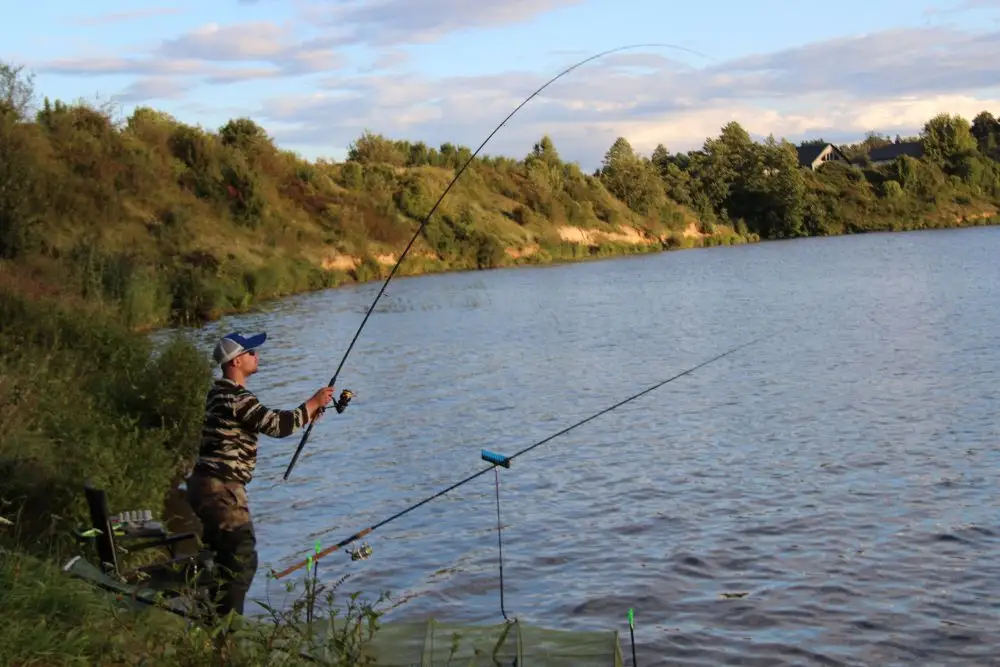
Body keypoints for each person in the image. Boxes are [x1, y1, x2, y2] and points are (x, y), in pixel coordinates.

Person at [186, 331, 334, 621]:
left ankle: (208, 625)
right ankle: (224, 633)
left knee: (222, 559)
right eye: (251, 352)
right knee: (241, 559)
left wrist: (306, 413)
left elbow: (268, 419)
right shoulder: (235, 396)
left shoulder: (220, 393)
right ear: (237, 360)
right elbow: (277, 425)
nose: (257, 355)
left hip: (205, 487)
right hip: (220, 491)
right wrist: (314, 402)